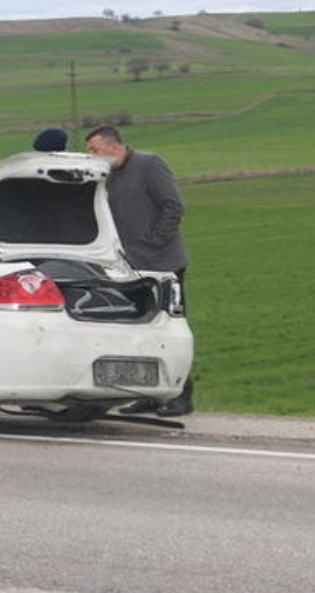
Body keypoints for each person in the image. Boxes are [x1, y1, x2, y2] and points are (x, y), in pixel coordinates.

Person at [84, 125, 193, 417]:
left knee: (168, 328)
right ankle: (147, 394)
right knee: (137, 332)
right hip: (129, 268)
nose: (91, 155)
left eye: (94, 149)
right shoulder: (106, 176)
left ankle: (181, 396)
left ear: (113, 145)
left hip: (164, 265)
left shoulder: (150, 165)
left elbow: (173, 206)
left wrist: (154, 241)